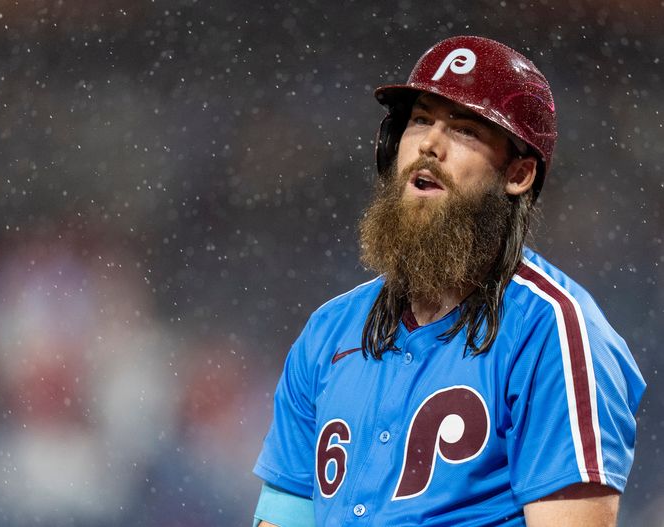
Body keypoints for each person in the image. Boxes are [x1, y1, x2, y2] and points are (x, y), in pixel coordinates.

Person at [252, 35, 645, 527]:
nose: (430, 145)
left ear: (518, 174)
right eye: (420, 119)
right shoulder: (328, 330)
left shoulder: (555, 332)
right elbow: (283, 517)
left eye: (464, 129)